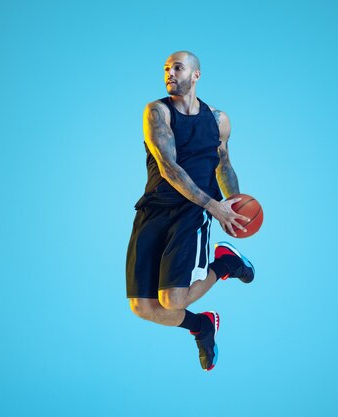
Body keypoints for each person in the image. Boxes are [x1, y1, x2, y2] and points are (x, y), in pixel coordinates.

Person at [126, 51, 256, 371]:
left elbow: (224, 165)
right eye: (166, 69)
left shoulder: (217, 120)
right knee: (142, 307)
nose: (170, 73)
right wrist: (218, 207)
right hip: (154, 209)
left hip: (192, 211)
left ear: (195, 75)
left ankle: (223, 263)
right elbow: (169, 167)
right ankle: (202, 326)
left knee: (172, 301)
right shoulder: (157, 112)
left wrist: (234, 206)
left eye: (178, 68)